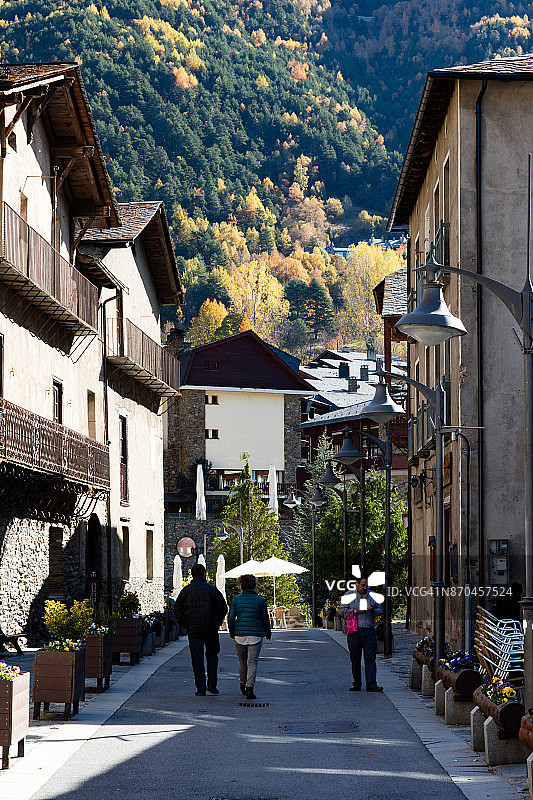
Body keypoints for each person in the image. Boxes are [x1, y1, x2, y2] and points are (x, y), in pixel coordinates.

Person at [175, 563, 228, 696]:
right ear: (204, 574)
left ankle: (200, 688)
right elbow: (223, 607)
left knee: (197, 659)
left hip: (193, 630)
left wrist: (185, 624)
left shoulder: (186, 591)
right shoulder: (212, 589)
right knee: (212, 656)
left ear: (192, 575)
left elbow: (177, 610)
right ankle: (212, 685)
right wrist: (217, 622)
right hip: (210, 629)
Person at [228, 574, 271, 700]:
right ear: (254, 585)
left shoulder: (236, 599)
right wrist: (267, 632)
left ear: (241, 584)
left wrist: (232, 632)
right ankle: (250, 688)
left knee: (242, 661)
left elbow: (231, 618)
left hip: (239, 634)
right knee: (252, 663)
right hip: (256, 635)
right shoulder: (260, 600)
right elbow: (264, 618)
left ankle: (242, 684)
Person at [339, 571, 383, 692]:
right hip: (354, 632)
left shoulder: (372, 595)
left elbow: (380, 610)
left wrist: (374, 610)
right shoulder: (348, 595)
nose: (365, 588)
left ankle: (371, 684)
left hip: (369, 631)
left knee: (370, 658)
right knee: (355, 658)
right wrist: (356, 611)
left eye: (366, 585)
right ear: (356, 584)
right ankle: (356, 683)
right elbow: (341, 611)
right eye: (363, 585)